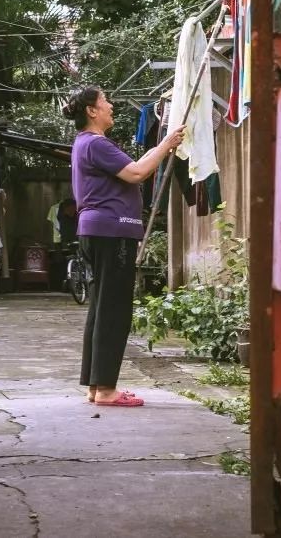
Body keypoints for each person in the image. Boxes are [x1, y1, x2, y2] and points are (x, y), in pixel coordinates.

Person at [62, 86, 185, 407]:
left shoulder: (86, 144)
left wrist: (163, 147)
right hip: (112, 232)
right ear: (91, 111)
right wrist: (166, 145)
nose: (111, 107)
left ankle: (95, 386)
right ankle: (106, 389)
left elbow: (138, 165)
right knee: (114, 310)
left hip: (98, 231)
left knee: (101, 308)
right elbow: (138, 172)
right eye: (105, 102)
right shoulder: (96, 143)